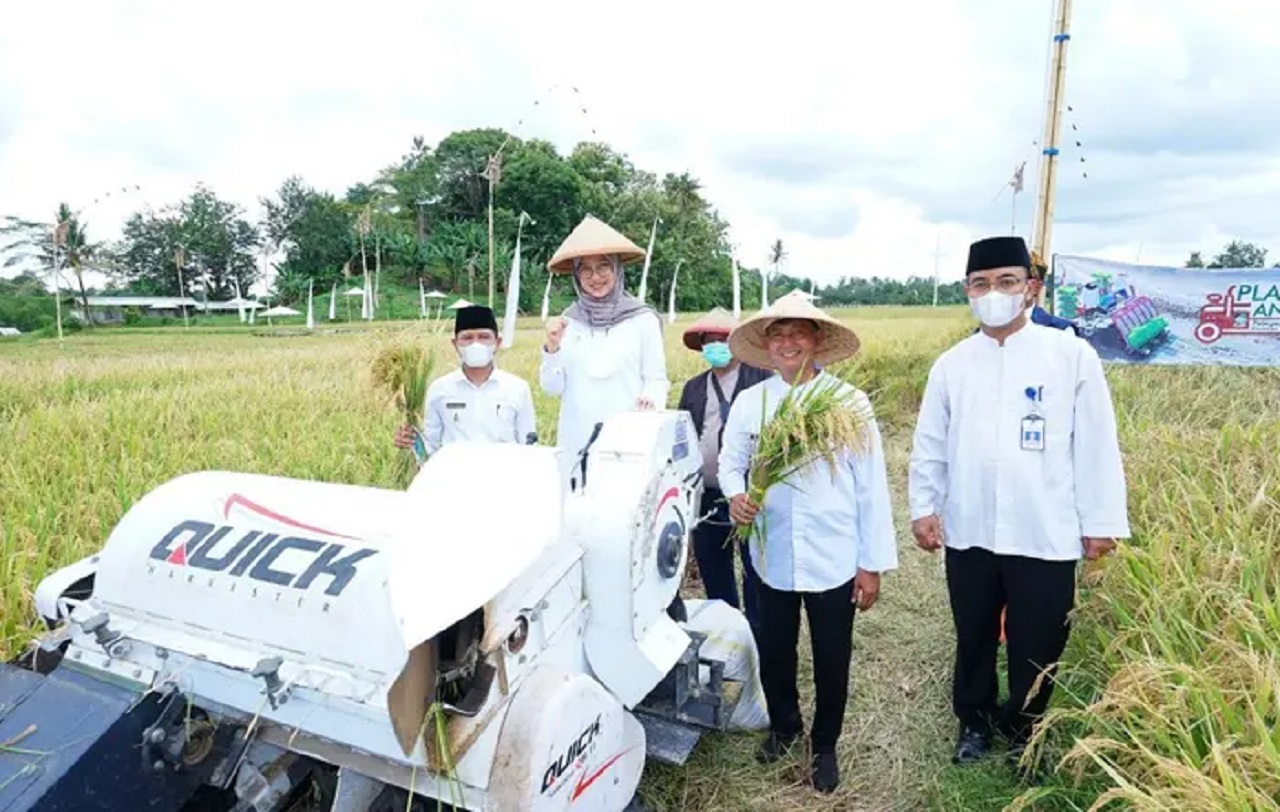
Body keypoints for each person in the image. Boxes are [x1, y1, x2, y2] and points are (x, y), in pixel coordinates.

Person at [907, 235, 1130, 772]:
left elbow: (1097, 443)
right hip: (971, 529)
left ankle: (1026, 730)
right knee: (975, 632)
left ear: (1031, 288)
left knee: (1039, 640)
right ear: (967, 291)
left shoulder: (1070, 355)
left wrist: (1100, 521)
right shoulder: (952, 365)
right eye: (981, 284)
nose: (993, 293)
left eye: (1006, 281)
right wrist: (923, 506)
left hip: (1045, 528)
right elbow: (930, 444)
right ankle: (975, 722)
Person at [718, 293, 898, 794]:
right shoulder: (752, 402)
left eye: (798, 332)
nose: (787, 342)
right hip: (770, 552)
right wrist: (736, 496)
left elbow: (871, 487)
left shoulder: (849, 404)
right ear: (767, 345)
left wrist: (871, 565)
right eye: (778, 334)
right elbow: (732, 463)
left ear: (817, 340)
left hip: (834, 554)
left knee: (831, 653)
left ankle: (824, 744)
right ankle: (784, 727)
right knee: (775, 648)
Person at [539, 215, 669, 487]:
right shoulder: (568, 322)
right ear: (575, 274)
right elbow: (552, 388)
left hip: (628, 439)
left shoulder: (642, 319)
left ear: (618, 269)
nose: (594, 277)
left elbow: (656, 378)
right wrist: (551, 348)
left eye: (603, 267)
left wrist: (650, 401)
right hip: (576, 437)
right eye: (584, 269)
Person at [676, 307, 771, 638]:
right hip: (706, 493)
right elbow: (683, 437)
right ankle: (728, 631)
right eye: (709, 340)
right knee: (714, 568)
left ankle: (758, 636)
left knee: (754, 568)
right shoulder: (693, 388)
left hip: (750, 495)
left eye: (723, 339)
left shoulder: (762, 381)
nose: (716, 345)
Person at [394, 304, 537, 456]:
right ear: (455, 344)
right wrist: (411, 442)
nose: (476, 344)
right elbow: (431, 446)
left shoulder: (517, 388)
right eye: (467, 338)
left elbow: (528, 445)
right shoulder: (440, 389)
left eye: (484, 337)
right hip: (454, 476)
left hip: (503, 475)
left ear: (497, 342)